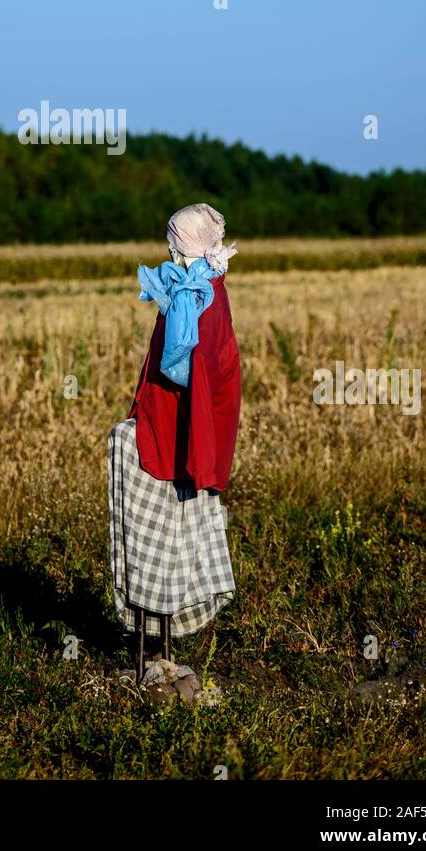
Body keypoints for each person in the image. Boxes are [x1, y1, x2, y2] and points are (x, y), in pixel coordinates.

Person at [108, 203, 242, 681]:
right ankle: (151, 649)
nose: (169, 250)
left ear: (190, 246)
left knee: (155, 538)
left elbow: (194, 375)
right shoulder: (200, 289)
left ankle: (154, 652)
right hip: (169, 429)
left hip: (171, 439)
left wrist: (188, 451)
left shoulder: (196, 297)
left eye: (174, 242)